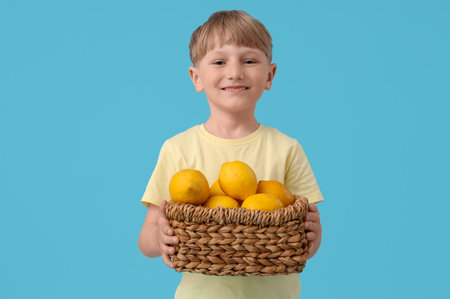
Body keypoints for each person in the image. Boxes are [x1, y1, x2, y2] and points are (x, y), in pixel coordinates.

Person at [138, 10, 323, 299]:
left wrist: (313, 236)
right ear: (196, 77)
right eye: (219, 61)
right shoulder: (177, 149)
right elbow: (146, 238)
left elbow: (302, 233)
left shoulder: (287, 148)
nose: (235, 72)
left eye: (249, 61)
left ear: (269, 75)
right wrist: (161, 237)